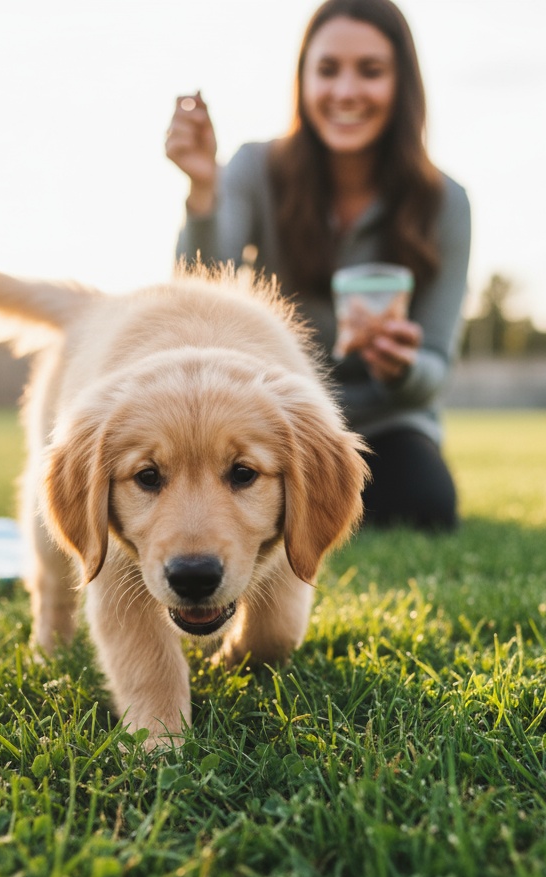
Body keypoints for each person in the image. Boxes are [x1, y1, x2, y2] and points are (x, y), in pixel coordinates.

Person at [165, 0, 471, 531]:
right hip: (274, 416)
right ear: (303, 80)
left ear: (402, 85)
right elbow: (198, 289)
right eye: (328, 70)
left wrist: (401, 368)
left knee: (427, 502)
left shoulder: (445, 201)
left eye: (370, 71)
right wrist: (203, 191)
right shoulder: (255, 168)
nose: (346, 91)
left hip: (384, 420)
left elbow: (436, 369)